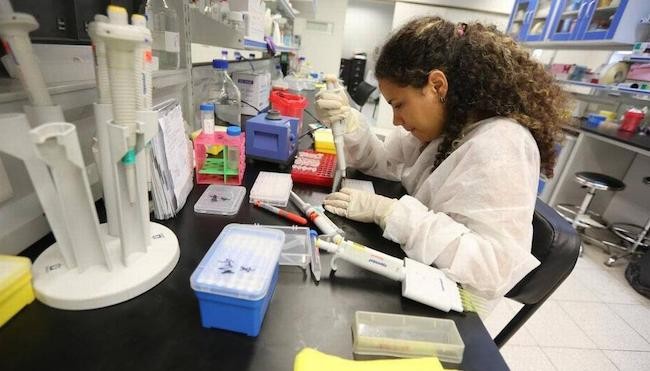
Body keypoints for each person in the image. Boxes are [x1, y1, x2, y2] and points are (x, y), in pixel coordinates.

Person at [317, 16, 569, 300]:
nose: (397, 120)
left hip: (455, 298)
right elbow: (386, 163)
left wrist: (392, 214)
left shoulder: (501, 144)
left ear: (437, 86)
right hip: (419, 268)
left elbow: (492, 268)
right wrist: (350, 124)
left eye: (399, 105)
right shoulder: (445, 124)